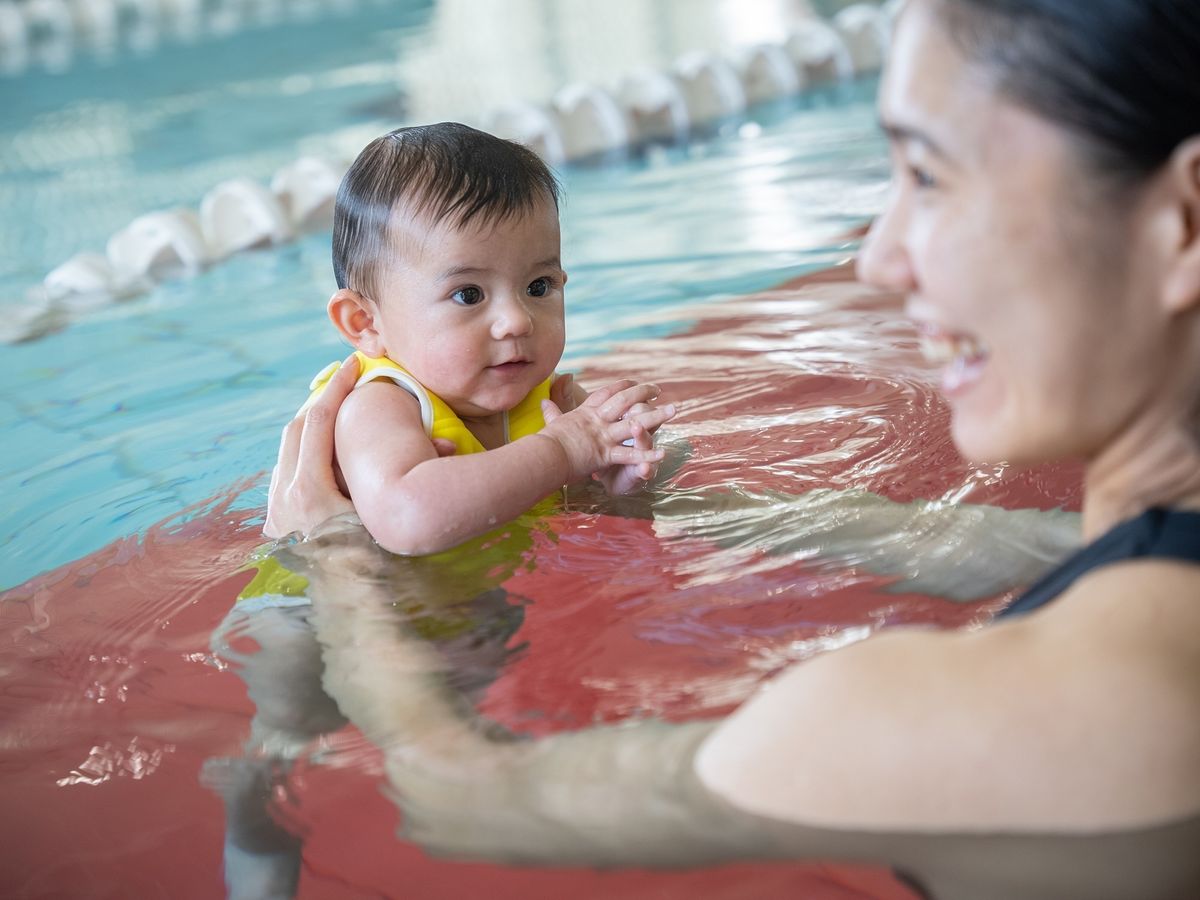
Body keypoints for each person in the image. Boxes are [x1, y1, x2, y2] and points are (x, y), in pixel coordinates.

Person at [261, 1, 1200, 897]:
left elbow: (458, 795)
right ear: (364, 321)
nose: (877, 256)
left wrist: (338, 566)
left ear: (1184, 224)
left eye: (930, 176)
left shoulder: (943, 718)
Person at [304, 123, 674, 556]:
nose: (517, 321)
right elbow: (406, 519)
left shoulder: (556, 401)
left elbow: (608, 504)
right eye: (468, 295)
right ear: (365, 322)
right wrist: (563, 451)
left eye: (538, 286)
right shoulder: (381, 405)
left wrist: (620, 484)